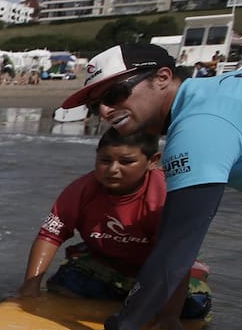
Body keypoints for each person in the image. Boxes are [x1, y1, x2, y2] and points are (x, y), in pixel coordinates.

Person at [36, 43, 242, 330]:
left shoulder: (198, 128)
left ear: (162, 78)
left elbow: (178, 246)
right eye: (96, 105)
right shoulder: (217, 92)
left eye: (114, 94)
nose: (105, 111)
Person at [17, 128, 211, 320]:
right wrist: (29, 289)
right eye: (105, 160)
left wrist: (169, 319)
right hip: (107, 264)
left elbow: (175, 258)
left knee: (193, 309)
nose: (112, 169)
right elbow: (49, 236)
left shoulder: (166, 197)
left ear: (153, 161)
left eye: (126, 162)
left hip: (159, 271)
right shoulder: (81, 189)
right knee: (63, 283)